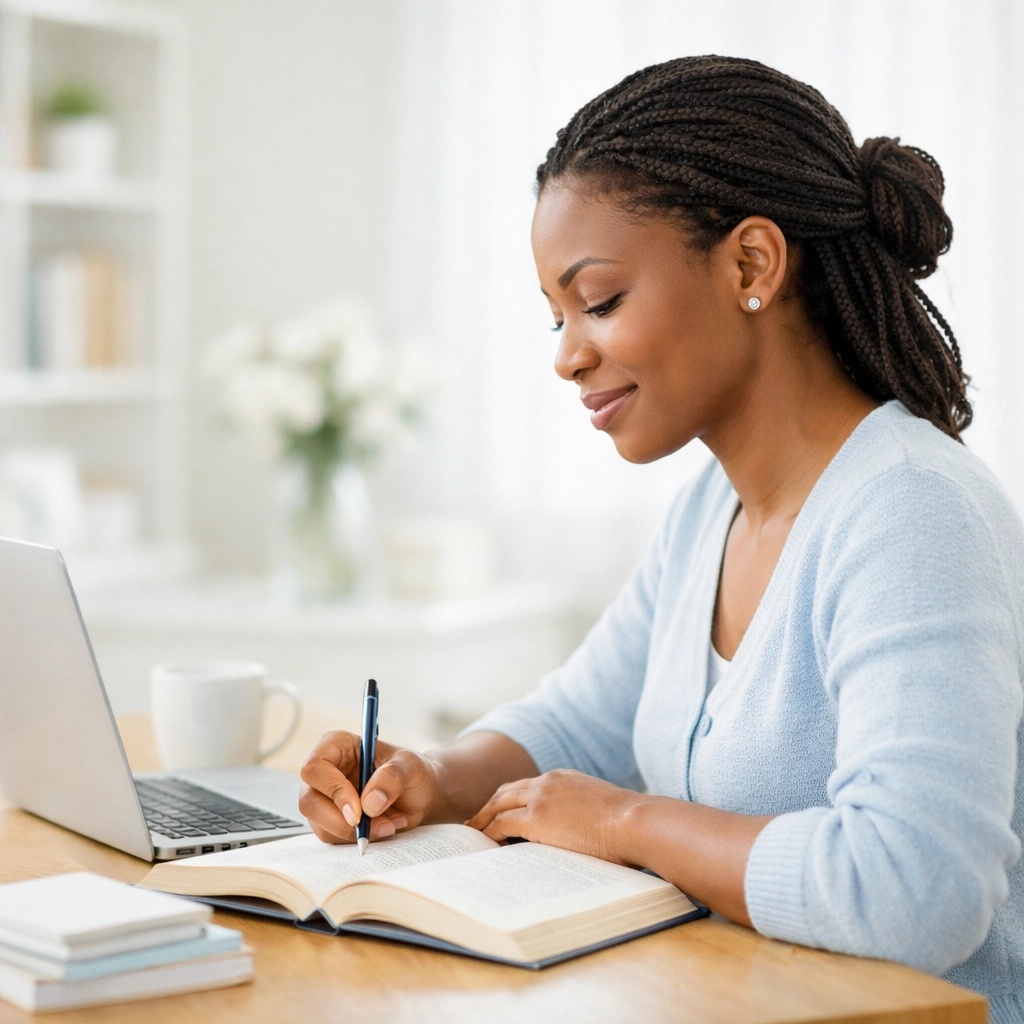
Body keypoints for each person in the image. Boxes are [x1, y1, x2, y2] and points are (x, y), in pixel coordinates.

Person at [299, 56, 1024, 1018]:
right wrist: (432, 778)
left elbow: (916, 887)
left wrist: (627, 822)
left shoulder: (911, 511)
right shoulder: (709, 512)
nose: (568, 356)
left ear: (751, 265)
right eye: (557, 319)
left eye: (599, 302)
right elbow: (577, 724)